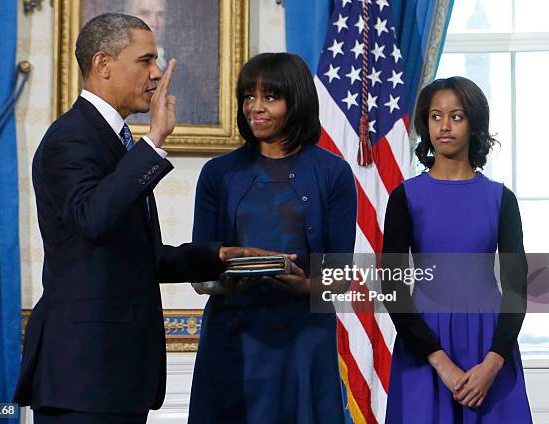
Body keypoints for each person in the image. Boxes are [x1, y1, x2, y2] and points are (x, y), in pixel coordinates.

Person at [13, 13, 277, 423]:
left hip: (118, 376)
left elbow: (140, 257)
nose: (155, 73)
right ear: (103, 64)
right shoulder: (71, 138)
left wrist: (220, 255)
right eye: (145, 60)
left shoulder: (116, 142)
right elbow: (93, 219)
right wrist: (154, 142)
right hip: (84, 375)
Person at [188, 52, 357, 423]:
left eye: (269, 97)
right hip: (233, 336)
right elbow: (199, 268)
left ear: (295, 102)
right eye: (249, 97)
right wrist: (227, 275)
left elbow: (340, 275)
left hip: (304, 338)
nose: (255, 108)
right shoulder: (218, 174)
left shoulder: (334, 173)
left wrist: (303, 285)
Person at [382, 76, 531, 423]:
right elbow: (392, 287)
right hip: (424, 346)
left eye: (456, 116)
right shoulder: (405, 197)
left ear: (474, 123)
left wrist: (494, 363)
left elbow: (517, 289)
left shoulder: (501, 199)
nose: (444, 126)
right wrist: (441, 362)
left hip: (490, 345)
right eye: (436, 117)